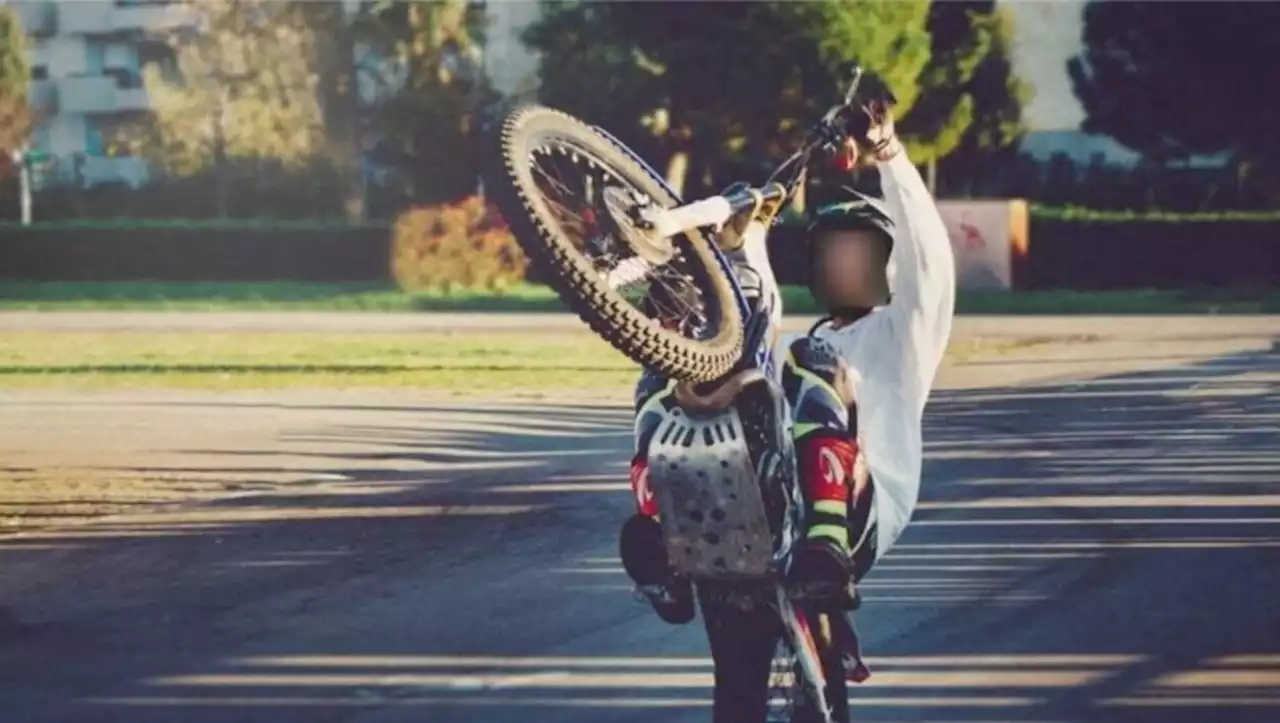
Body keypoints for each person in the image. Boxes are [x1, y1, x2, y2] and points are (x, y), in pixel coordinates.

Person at [619, 97, 956, 619]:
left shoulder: (902, 333)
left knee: (807, 357)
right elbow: (751, 326)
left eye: (859, 252)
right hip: (767, 502)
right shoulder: (799, 348)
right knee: (680, 372)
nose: (843, 264)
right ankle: (665, 545)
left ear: (887, 267)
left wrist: (888, 155)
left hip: (856, 519)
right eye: (831, 253)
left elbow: (930, 259)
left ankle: (826, 545)